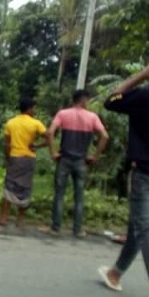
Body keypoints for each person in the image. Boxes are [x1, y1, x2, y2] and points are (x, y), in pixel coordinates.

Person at [97, 60, 149, 297]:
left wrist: (142, 75)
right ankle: (115, 273)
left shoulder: (145, 96)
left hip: (146, 172)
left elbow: (111, 100)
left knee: (146, 230)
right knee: (138, 225)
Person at [41, 89, 109, 237]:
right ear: (84, 100)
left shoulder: (63, 114)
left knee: (59, 194)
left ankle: (55, 227)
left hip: (64, 159)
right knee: (79, 196)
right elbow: (104, 136)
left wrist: (53, 152)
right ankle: (77, 229)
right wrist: (95, 156)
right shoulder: (92, 117)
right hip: (81, 161)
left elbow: (50, 132)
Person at [0, 98, 47, 227]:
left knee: (9, 185)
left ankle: (3, 217)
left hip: (15, 156)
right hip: (28, 158)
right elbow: (49, 137)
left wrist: (7, 158)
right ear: (29, 109)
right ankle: (20, 219)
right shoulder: (36, 124)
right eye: (33, 108)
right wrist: (37, 146)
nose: (34, 111)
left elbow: (6, 143)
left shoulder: (11, 123)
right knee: (25, 187)